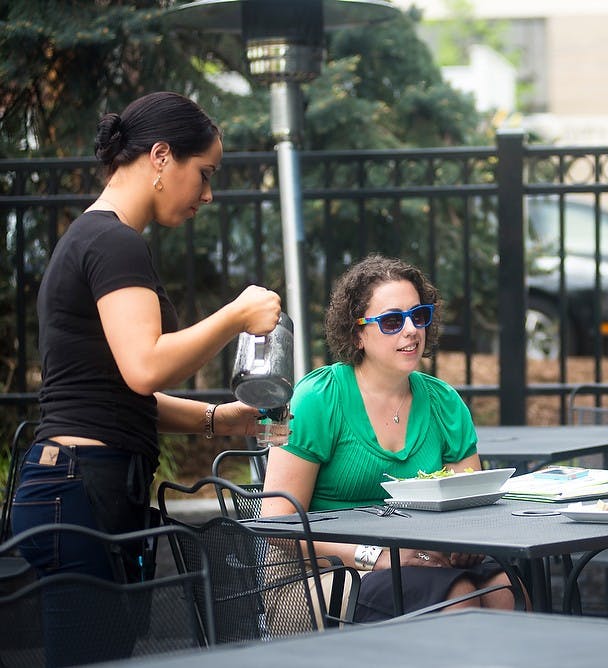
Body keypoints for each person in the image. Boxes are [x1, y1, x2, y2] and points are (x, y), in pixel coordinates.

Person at [11, 91, 282, 584]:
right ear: (160, 156)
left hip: (75, 484)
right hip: (82, 487)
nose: (207, 194)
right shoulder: (115, 242)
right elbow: (146, 369)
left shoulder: (94, 238)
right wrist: (236, 315)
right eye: (205, 173)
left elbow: (114, 395)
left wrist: (221, 420)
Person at [262, 254, 517, 621]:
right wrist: (376, 555)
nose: (411, 330)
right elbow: (276, 523)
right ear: (356, 333)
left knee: (504, 590)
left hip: (427, 557)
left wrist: (465, 547)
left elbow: (468, 507)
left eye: (419, 316)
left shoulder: (444, 401)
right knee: (456, 597)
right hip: (323, 571)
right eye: (393, 321)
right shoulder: (320, 398)